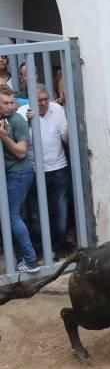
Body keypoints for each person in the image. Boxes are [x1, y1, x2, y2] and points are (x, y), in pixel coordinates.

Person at [17, 84, 71, 255]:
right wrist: (27, 123)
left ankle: (60, 247)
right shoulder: (22, 113)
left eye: (46, 99)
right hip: (33, 170)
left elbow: (66, 138)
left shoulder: (57, 109)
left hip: (58, 168)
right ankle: (41, 250)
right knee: (36, 214)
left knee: (61, 210)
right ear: (31, 100)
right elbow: (19, 142)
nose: (44, 103)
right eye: (39, 100)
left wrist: (70, 113)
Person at [0, 85, 39, 272]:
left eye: (10, 103)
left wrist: (4, 137)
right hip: (9, 175)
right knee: (16, 216)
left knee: (12, 216)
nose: (9, 106)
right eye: (5, 103)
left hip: (20, 173)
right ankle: (21, 257)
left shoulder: (17, 120)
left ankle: (31, 260)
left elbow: (21, 152)